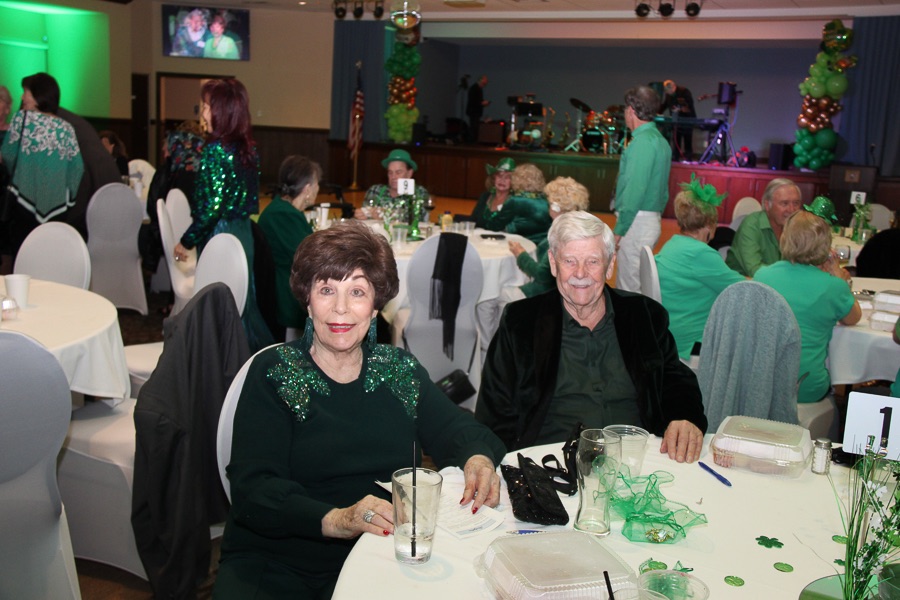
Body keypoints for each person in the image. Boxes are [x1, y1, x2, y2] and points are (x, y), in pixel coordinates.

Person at [214, 220, 506, 599]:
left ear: (374, 307)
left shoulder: (398, 369)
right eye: (326, 290)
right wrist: (339, 518)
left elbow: (458, 430)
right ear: (307, 300)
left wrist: (478, 458)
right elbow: (254, 489)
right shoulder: (275, 373)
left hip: (381, 555)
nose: (340, 309)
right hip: (279, 560)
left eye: (356, 292)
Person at [475, 211, 707, 462]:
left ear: (610, 265)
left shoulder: (644, 316)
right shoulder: (521, 323)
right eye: (570, 261)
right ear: (553, 263)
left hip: (639, 460)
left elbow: (677, 381)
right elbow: (495, 411)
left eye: (593, 261)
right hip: (553, 466)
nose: (581, 273)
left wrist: (684, 417)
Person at [172, 78, 273, 353]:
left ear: (221, 111)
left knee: (221, 307)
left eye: (206, 106)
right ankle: (249, 364)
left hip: (221, 236)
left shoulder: (215, 150)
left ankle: (223, 367)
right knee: (243, 303)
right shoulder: (248, 149)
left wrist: (187, 240)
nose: (202, 112)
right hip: (243, 233)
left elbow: (211, 208)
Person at [753, 201, 861, 405]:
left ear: (785, 238)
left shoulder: (762, 275)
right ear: (825, 245)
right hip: (805, 388)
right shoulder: (833, 287)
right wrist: (839, 277)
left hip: (761, 385)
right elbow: (854, 318)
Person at [476, 176, 590, 350]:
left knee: (487, 298)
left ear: (557, 207)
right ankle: (500, 342)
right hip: (562, 293)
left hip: (543, 294)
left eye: (550, 202)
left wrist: (520, 253)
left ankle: (489, 348)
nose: (547, 205)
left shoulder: (560, 235)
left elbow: (541, 274)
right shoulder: (573, 228)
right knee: (503, 286)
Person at [656, 175, 744, 360]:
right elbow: (742, 288)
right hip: (691, 343)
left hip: (670, 334)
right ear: (710, 226)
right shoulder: (701, 254)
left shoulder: (672, 245)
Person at [0, 73, 83, 258]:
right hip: (57, 209)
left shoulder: (21, 119)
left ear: (39, 94)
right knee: (50, 260)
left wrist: (24, 173)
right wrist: (68, 199)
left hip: (23, 203)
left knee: (23, 260)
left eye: (26, 92)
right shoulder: (66, 128)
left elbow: (8, 154)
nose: (22, 97)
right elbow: (77, 168)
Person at [612, 85, 671, 293]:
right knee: (639, 285)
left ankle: (630, 327)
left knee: (628, 289)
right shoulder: (661, 141)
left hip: (635, 223)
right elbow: (663, 194)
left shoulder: (642, 143)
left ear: (631, 111)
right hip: (649, 220)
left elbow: (634, 191)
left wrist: (619, 231)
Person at [257, 155, 320, 337]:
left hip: (288, 284)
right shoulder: (283, 215)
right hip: (286, 294)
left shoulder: (284, 209)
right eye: (316, 184)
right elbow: (311, 256)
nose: (318, 188)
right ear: (307, 189)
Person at [726, 178, 802, 277]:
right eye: (784, 203)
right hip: (745, 286)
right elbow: (755, 270)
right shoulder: (752, 225)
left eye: (796, 203)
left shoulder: (798, 226)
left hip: (778, 286)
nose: (792, 209)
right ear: (767, 205)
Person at [483, 163, 552, 245]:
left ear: (516, 180)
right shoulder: (546, 199)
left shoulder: (516, 201)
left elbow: (494, 226)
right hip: (544, 247)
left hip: (522, 247)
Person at [356, 148, 430, 224]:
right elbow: (364, 215)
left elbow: (419, 220)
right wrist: (362, 215)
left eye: (398, 172)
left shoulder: (419, 193)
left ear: (409, 173)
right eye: (390, 172)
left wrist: (385, 215)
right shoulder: (375, 190)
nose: (393, 177)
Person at [469, 157, 514, 228]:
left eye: (508, 177)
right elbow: (472, 221)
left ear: (513, 182)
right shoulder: (485, 196)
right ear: (493, 178)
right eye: (500, 175)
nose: (502, 180)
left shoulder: (515, 201)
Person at [662, 79, 696, 160]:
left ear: (673, 87)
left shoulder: (684, 92)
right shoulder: (669, 95)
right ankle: (675, 157)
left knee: (687, 140)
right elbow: (665, 105)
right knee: (676, 139)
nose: (668, 93)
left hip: (687, 119)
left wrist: (680, 108)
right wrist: (657, 112)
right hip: (676, 120)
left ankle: (688, 158)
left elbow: (689, 105)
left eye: (668, 90)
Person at [466, 75, 489, 143]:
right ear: (480, 80)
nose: (485, 84)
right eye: (484, 83)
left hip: (475, 111)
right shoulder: (474, 88)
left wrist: (482, 102)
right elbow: (473, 100)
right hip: (473, 111)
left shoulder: (478, 89)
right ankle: (472, 141)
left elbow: (477, 100)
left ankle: (473, 141)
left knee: (475, 127)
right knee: (473, 127)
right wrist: (482, 103)